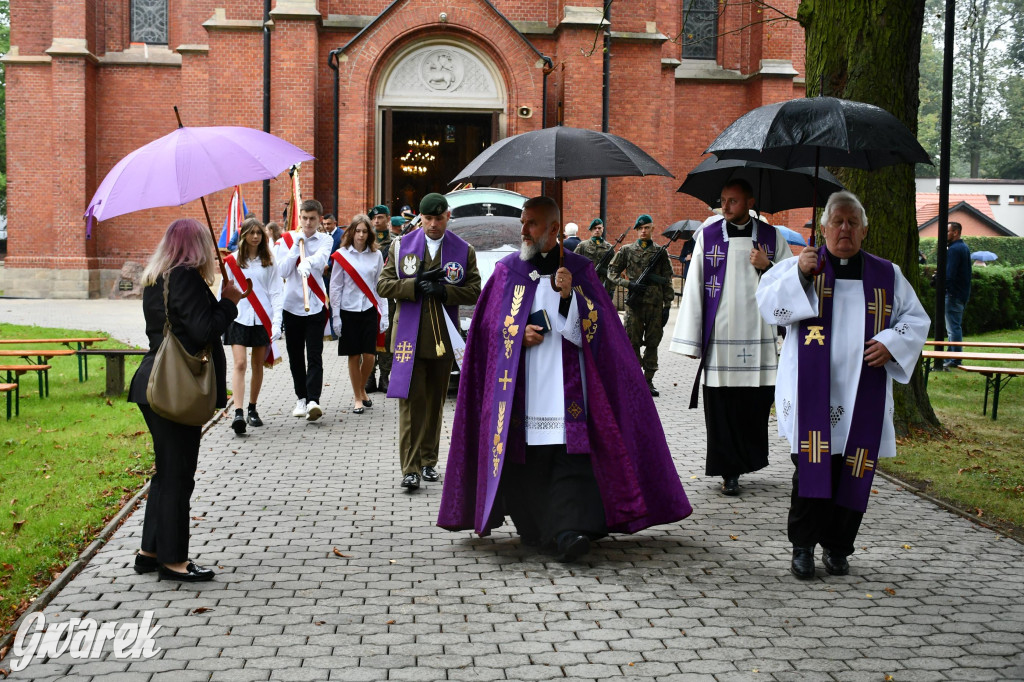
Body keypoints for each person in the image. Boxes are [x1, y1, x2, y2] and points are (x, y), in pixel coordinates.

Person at [437, 196, 692, 562]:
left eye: (532, 224)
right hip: (522, 387)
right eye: (523, 222)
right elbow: (487, 327)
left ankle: (568, 530)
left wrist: (571, 296)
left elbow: (600, 330)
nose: (523, 230)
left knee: (568, 455)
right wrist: (515, 333)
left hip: (566, 388)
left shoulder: (580, 270)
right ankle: (538, 526)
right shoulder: (507, 270)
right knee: (528, 460)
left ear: (554, 229)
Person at [756, 191, 929, 579]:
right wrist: (800, 275)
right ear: (823, 227)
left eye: (853, 222)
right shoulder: (801, 266)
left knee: (855, 469)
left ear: (865, 230)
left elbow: (916, 320)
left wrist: (891, 342)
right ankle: (802, 547)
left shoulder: (888, 274)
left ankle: (838, 548)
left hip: (862, 392)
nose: (845, 229)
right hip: (812, 390)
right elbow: (768, 306)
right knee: (811, 470)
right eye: (837, 221)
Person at [128, 218, 243, 581]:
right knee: (179, 476)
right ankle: (173, 561)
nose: (210, 250)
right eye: (206, 243)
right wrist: (228, 302)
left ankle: (150, 551)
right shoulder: (183, 277)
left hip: (155, 383)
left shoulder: (156, 275)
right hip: (173, 388)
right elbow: (203, 331)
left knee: (167, 472)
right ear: (194, 246)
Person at [671, 179, 792, 497]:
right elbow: (695, 286)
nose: (725, 207)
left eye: (733, 201)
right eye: (722, 200)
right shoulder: (708, 236)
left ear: (750, 202)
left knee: (753, 405)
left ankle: (748, 460)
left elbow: (792, 281)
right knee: (721, 407)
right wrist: (691, 339)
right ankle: (729, 471)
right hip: (720, 335)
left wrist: (769, 266)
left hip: (758, 335)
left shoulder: (770, 236)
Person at [377, 193, 481, 490]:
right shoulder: (401, 246)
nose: (433, 224)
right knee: (411, 404)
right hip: (409, 337)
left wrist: (445, 291)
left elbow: (475, 290)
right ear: (419, 218)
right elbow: (383, 284)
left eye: (439, 218)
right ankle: (410, 469)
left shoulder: (464, 250)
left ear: (449, 216)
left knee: (435, 404)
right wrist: (414, 285)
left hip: (443, 338)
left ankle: (428, 462)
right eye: (428, 219)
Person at [223, 218, 283, 434]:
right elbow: (225, 291)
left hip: (262, 318)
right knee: (240, 364)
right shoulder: (231, 262)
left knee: (257, 365)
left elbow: (276, 291)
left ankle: (252, 408)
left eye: (259, 233)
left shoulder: (269, 262)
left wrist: (277, 321)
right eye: (251, 232)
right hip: (238, 317)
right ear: (244, 235)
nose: (256, 236)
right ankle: (238, 412)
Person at [277, 199, 333, 421]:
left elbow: (321, 260)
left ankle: (313, 400)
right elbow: (282, 270)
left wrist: (308, 261)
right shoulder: (287, 240)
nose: (308, 222)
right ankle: (301, 397)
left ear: (319, 219)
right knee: (295, 355)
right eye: (304, 218)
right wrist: (294, 249)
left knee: (314, 354)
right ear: (299, 218)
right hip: (292, 306)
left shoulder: (326, 240)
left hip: (315, 306)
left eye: (312, 219)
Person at [607, 214, 675, 396]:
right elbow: (611, 272)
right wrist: (629, 284)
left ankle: (649, 381)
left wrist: (668, 305)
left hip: (654, 305)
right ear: (637, 230)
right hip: (635, 305)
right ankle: (635, 380)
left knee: (653, 343)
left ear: (653, 229)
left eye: (647, 228)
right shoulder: (627, 251)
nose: (644, 231)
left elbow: (667, 279)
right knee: (632, 343)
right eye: (641, 228)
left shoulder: (661, 252)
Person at [329, 214, 388, 414]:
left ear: (369, 233)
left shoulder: (376, 255)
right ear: (351, 232)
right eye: (357, 231)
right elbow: (335, 287)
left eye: (364, 231)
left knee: (370, 356)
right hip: (348, 310)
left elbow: (381, 285)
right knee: (354, 356)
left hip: (369, 309)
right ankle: (357, 397)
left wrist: (385, 313)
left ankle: (361, 388)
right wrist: (335, 316)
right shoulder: (342, 255)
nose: (361, 235)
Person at [364, 205, 392, 393]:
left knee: (387, 338)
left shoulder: (396, 243)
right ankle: (369, 377)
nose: (376, 222)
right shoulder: (366, 242)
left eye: (380, 218)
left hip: (387, 296)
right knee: (368, 336)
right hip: (368, 296)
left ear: (388, 219)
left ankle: (384, 376)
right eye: (373, 219)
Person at [944, 221, 971, 369]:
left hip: (953, 293)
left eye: (947, 231)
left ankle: (955, 359)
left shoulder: (954, 249)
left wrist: (943, 285)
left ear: (955, 232)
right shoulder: (964, 247)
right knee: (953, 326)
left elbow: (950, 273)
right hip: (962, 293)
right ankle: (950, 356)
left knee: (953, 328)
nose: (945, 234)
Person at [574, 218, 616, 299]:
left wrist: (612, 289)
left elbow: (613, 269)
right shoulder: (583, 246)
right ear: (591, 230)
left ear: (603, 229)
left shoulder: (609, 248)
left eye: (599, 228)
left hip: (603, 286)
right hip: (586, 284)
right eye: (594, 228)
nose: (597, 230)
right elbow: (574, 263)